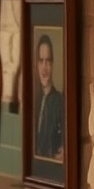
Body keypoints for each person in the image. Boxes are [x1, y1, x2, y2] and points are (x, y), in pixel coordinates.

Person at [34, 32, 64, 163]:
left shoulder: (60, 102)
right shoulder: (34, 101)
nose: (44, 68)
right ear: (37, 64)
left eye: (48, 61)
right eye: (41, 61)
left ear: (53, 64)